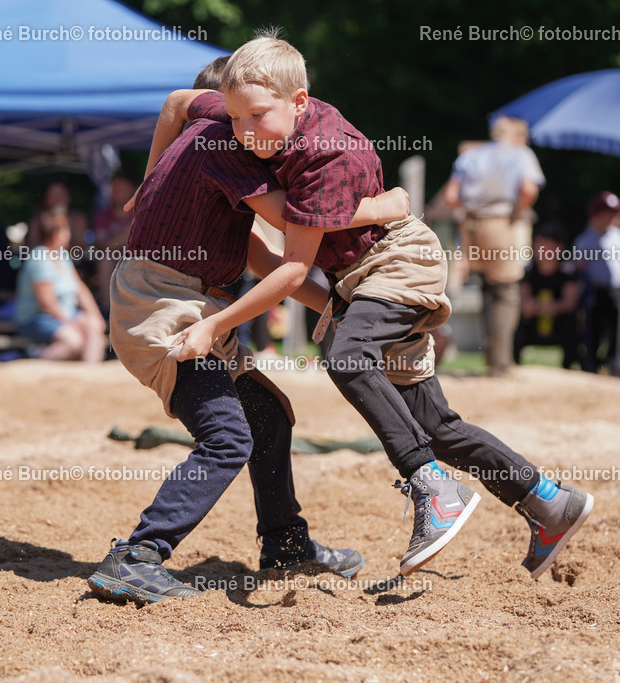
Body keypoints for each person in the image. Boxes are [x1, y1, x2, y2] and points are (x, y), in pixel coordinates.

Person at [157, 30, 592, 580]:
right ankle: (551, 502)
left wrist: (374, 215)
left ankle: (432, 488)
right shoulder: (250, 137)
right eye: (230, 122)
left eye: (248, 120)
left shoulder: (322, 154)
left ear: (294, 102)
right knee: (432, 424)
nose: (239, 136)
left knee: (346, 355)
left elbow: (292, 256)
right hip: (359, 278)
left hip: (394, 264)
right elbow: (179, 108)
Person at [86, 57, 413, 606]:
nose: (245, 130)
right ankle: (137, 555)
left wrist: (329, 303)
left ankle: (286, 544)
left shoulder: (203, 130)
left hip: (181, 295)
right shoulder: (220, 143)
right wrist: (385, 206)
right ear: (219, 111)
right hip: (161, 304)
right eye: (236, 116)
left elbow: (258, 255)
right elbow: (298, 220)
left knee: (267, 412)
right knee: (228, 437)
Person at [442, 117, 546, 377]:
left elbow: (451, 197)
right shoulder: (521, 154)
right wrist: (516, 214)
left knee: (488, 288)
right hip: (501, 223)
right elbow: (529, 189)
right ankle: (501, 363)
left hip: (472, 226)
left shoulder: (472, 155)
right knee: (506, 292)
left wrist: (468, 216)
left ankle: (490, 357)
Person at [15, 211, 105, 362]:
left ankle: (91, 375)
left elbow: (79, 288)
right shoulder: (40, 258)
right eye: (67, 230)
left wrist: (96, 315)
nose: (69, 234)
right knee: (74, 340)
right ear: (56, 233)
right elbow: (47, 303)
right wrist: (72, 322)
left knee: (94, 325)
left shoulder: (62, 255)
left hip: (63, 314)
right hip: (37, 318)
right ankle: (36, 360)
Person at [574, 192, 620, 373]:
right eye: (610, 212)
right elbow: (579, 268)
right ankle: (591, 364)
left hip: (616, 289)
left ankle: (612, 363)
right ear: (597, 214)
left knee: (618, 328)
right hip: (595, 291)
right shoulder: (584, 240)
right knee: (593, 329)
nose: (615, 216)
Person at [514, 224, 581, 369]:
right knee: (515, 319)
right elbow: (523, 296)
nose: (540, 249)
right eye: (537, 244)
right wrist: (529, 304)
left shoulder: (567, 271)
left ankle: (569, 367)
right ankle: (513, 365)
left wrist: (552, 307)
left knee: (571, 320)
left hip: (558, 322)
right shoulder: (530, 271)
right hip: (534, 322)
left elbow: (570, 302)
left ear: (559, 248)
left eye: (545, 245)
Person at [91, 173, 136, 312]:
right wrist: (128, 233)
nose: (116, 191)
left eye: (121, 187)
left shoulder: (141, 212)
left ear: (132, 189)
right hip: (114, 260)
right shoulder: (103, 215)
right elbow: (103, 245)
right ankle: (107, 309)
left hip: (139, 259)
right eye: (114, 187)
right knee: (104, 259)